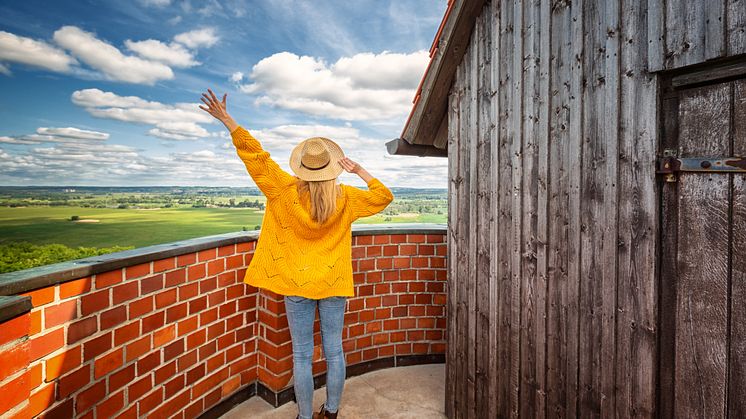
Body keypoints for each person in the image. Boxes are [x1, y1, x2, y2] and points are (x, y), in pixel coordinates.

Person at [199, 89, 393, 419]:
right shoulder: (346, 197)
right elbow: (383, 196)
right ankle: (330, 412)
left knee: (301, 354)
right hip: (333, 284)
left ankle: (305, 416)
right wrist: (359, 170)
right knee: (334, 351)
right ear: (332, 167)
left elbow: (255, 157)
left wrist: (228, 121)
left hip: (297, 286)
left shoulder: (283, 190)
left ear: (302, 167)